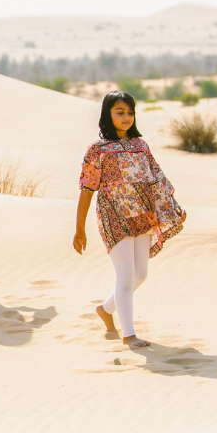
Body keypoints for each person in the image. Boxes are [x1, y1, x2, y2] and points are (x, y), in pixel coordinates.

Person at [73, 91, 186, 348]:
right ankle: (129, 335)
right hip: (114, 217)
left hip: (143, 216)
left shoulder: (141, 145)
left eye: (129, 112)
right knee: (125, 276)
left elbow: (157, 179)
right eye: (119, 112)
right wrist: (79, 229)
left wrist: (174, 207)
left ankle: (105, 309)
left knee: (140, 275)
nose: (126, 117)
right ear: (107, 115)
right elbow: (87, 189)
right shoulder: (97, 150)